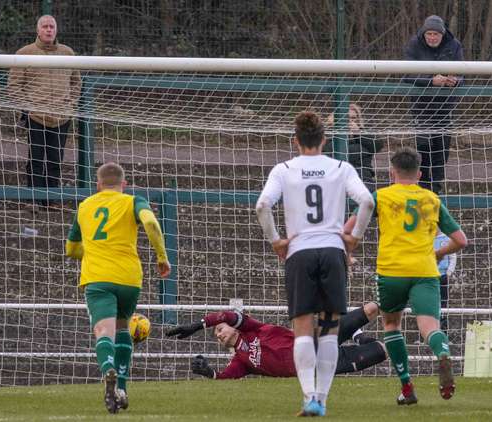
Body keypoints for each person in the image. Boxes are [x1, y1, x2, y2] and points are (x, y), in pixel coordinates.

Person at [255, 111, 374, 416]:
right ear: (324, 139)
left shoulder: (283, 169)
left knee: (303, 329)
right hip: (333, 251)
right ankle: (322, 398)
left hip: (300, 253)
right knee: (330, 329)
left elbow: (263, 205)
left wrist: (276, 241)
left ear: (296, 141)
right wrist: (354, 238)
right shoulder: (340, 167)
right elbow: (368, 201)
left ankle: (308, 396)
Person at [344, 147, 467, 405]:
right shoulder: (432, 199)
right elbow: (460, 240)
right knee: (430, 327)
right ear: (419, 174)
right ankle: (442, 353)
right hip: (424, 271)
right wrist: (440, 253)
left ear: (392, 172)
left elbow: (349, 228)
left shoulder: (381, 196)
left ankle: (407, 387)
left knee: (392, 325)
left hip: (392, 271)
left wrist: (344, 249)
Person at [65, 162, 171, 413]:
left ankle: (107, 369)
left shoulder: (85, 206)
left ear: (98, 184)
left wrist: (93, 252)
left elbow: (71, 249)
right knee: (124, 327)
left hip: (98, 278)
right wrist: (161, 256)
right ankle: (121, 388)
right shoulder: (133, 201)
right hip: (128, 278)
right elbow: (151, 224)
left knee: (104, 331)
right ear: (124, 185)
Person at [166, 303, 387, 380]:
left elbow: (226, 315)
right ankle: (360, 339)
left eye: (220, 330)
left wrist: (198, 324)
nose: (219, 334)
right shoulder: (241, 361)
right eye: (217, 336)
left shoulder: (252, 328)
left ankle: (358, 334)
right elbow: (225, 377)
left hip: (314, 338)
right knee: (383, 351)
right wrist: (208, 372)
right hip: (318, 367)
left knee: (371, 309)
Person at [8, 15, 81, 208]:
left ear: (56, 30)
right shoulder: (25, 53)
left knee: (56, 159)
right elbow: (14, 85)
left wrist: (70, 105)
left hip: (61, 116)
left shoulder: (67, 53)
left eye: (52, 27)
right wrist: (27, 107)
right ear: (38, 30)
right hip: (36, 116)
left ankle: (51, 200)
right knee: (36, 158)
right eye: (45, 26)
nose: (49, 30)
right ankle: (33, 199)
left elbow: (76, 82)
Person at [402, 15, 464, 194]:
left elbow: (463, 73)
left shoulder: (454, 45)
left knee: (441, 153)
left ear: (443, 34)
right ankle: (421, 190)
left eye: (436, 34)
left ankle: (435, 193)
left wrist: (455, 81)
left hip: (445, 108)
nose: (432, 38)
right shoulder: (414, 45)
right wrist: (430, 81)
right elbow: (406, 75)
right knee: (422, 149)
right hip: (421, 108)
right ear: (424, 33)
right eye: (429, 33)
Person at [324, 103, 386, 191]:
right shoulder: (328, 134)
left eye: (353, 118)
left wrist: (358, 133)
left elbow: (378, 145)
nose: (350, 121)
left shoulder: (364, 133)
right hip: (335, 180)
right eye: (346, 118)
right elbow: (329, 152)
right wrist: (362, 148)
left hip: (363, 180)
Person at [434, 230, 457, 332]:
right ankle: (430, 330)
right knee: (430, 302)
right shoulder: (427, 237)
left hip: (443, 276)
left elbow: (453, 256)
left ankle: (443, 331)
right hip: (429, 276)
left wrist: (449, 272)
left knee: (443, 303)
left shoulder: (446, 239)